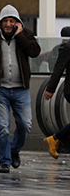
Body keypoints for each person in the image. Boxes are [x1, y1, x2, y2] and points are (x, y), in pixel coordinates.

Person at [0, 4, 41, 173]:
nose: (9, 24)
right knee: (3, 127)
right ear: (0, 22)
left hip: (21, 89)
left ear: (17, 22)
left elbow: (35, 52)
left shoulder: (25, 34)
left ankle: (14, 150)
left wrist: (20, 36)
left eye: (12, 21)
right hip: (0, 89)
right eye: (6, 21)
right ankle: (4, 161)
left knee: (25, 124)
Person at [43, 26, 70, 159]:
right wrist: (50, 89)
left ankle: (55, 139)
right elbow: (58, 68)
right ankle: (56, 138)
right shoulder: (67, 47)